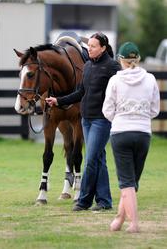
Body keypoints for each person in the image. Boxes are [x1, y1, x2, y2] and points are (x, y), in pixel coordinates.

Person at [46, 32, 121, 211]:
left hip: (102, 120)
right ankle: (104, 201)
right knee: (99, 159)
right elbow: (80, 93)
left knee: (90, 159)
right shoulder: (87, 66)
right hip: (86, 119)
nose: (90, 49)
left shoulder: (112, 67)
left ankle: (84, 200)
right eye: (90, 46)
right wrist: (58, 100)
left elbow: (122, 89)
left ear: (103, 48)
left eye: (94, 46)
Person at [102, 41, 160, 232]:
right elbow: (155, 110)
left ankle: (134, 223)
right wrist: (140, 118)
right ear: (138, 59)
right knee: (132, 181)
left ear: (120, 60)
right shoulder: (150, 79)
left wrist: (121, 119)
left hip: (121, 132)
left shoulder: (115, 81)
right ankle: (119, 219)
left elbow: (107, 110)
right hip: (143, 133)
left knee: (127, 182)